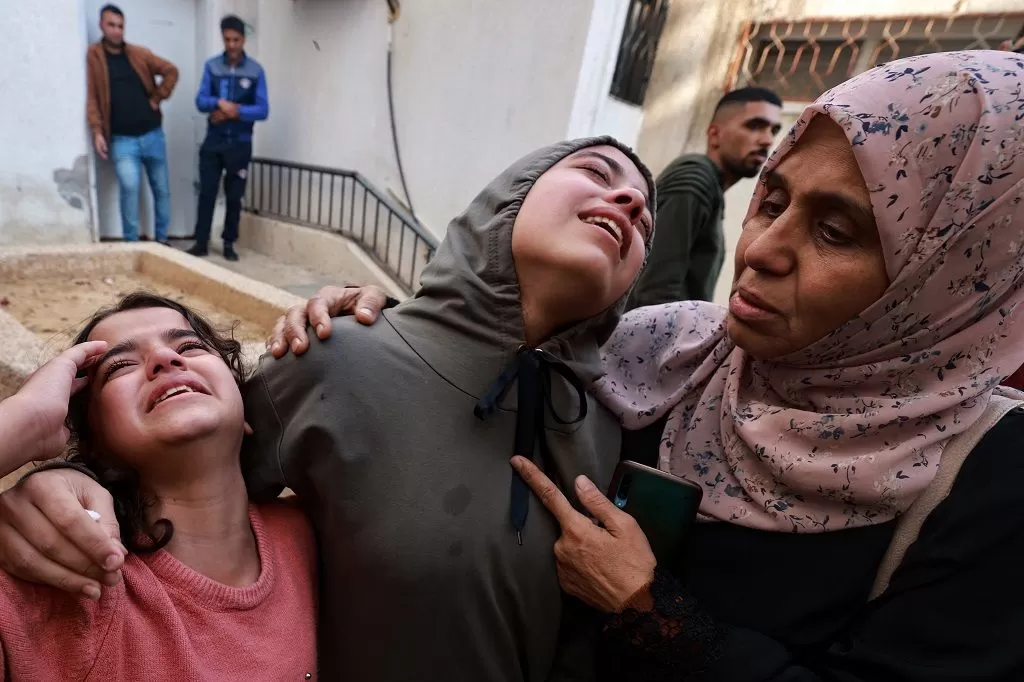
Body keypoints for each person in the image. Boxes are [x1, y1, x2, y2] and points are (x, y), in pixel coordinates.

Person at [259, 50, 1024, 680]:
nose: (761, 250)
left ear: (952, 280)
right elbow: (478, 352)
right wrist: (379, 330)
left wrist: (656, 614)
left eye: (834, 232)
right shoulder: (666, 355)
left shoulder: (988, 480)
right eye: (771, 200)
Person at [0, 138, 655, 681]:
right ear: (505, 198)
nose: (630, 203)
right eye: (597, 173)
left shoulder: (604, 428)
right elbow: (186, 473)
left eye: (649, 221)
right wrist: (63, 479)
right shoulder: (334, 357)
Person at [0, 292, 316, 680]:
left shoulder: (319, 531)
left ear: (246, 409)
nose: (166, 359)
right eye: (120, 366)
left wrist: (363, 320)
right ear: (96, 444)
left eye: (190, 347)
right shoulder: (65, 582)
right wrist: (23, 421)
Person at [628, 87, 782, 308]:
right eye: (755, 126)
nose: (767, 140)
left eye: (773, 130)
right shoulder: (694, 179)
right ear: (715, 134)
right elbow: (655, 292)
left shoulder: (710, 186)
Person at [87, 4, 178, 244]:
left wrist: (158, 97)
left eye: (120, 26)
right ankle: (131, 245)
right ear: (101, 25)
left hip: (152, 135)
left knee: (161, 190)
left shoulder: (139, 54)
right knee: (129, 189)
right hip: (122, 140)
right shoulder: (94, 56)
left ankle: (162, 241)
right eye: (111, 25)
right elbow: (93, 97)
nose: (116, 31)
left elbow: (171, 70)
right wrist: (97, 130)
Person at [187, 15, 269, 262]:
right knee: (207, 192)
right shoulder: (212, 66)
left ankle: (228, 243)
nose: (231, 45)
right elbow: (201, 101)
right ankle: (201, 242)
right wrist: (218, 103)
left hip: (240, 144)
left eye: (236, 40)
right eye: (227, 40)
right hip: (214, 141)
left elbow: (263, 110)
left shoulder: (255, 71)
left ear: (243, 39)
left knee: (234, 197)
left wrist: (237, 111)